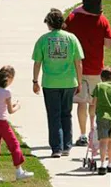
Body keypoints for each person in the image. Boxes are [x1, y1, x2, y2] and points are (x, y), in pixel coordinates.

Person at [32, 9, 84, 158]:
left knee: (53, 115)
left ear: (49, 24)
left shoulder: (43, 39)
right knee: (66, 114)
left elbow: (37, 63)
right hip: (69, 82)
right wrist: (79, 82)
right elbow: (78, 62)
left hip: (50, 83)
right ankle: (67, 145)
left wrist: (35, 81)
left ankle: (56, 148)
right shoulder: (72, 38)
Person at [64, 5, 111, 146]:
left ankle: (83, 134)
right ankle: (93, 131)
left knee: (81, 102)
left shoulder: (73, 17)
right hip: (96, 67)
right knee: (93, 102)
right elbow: (109, 44)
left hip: (76, 68)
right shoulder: (102, 20)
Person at [0, 65, 34, 183]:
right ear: (9, 78)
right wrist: (17, 106)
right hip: (1, 122)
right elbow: (10, 111)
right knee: (14, 144)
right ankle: (19, 171)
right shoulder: (7, 91)